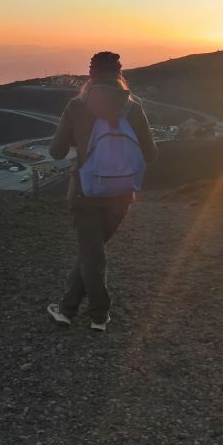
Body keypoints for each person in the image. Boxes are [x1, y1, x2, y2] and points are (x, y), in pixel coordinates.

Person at [46, 51, 157, 331]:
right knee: (91, 253)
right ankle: (66, 310)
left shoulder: (76, 106)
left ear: (91, 75)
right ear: (119, 74)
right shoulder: (134, 107)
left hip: (86, 192)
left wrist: (78, 140)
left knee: (91, 254)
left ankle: (99, 315)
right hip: (121, 194)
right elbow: (151, 154)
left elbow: (56, 153)